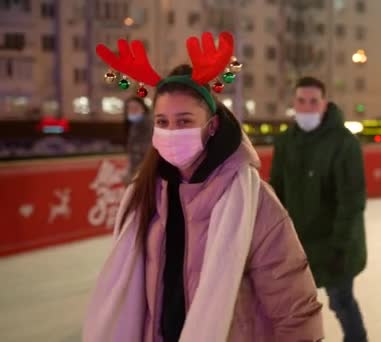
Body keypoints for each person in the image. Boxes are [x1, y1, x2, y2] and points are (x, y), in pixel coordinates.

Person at [84, 32, 323, 342]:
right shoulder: (144, 196)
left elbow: (292, 299)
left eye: (184, 121)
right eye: (163, 122)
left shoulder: (251, 199)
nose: (172, 132)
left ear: (211, 126)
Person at [270, 77, 368, 342]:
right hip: (297, 245)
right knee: (296, 310)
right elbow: (276, 193)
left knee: (341, 301)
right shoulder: (285, 142)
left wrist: (339, 248)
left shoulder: (344, 143)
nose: (307, 107)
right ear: (294, 103)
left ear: (324, 104)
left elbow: (352, 200)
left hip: (336, 246)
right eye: (301, 100)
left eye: (314, 101)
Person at [123, 96, 153, 183]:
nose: (132, 110)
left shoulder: (146, 124)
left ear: (143, 108)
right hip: (137, 168)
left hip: (143, 169)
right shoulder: (134, 125)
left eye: (135, 108)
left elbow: (147, 149)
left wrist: (136, 172)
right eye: (129, 108)